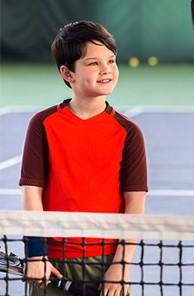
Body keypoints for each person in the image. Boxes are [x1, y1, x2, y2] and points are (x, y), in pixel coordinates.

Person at [19, 21, 148, 295]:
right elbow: (32, 194)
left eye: (111, 61)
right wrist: (35, 254)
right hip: (51, 261)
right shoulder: (43, 124)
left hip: (107, 261)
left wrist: (121, 266)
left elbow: (134, 206)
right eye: (93, 63)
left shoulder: (129, 133)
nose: (106, 70)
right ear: (68, 73)